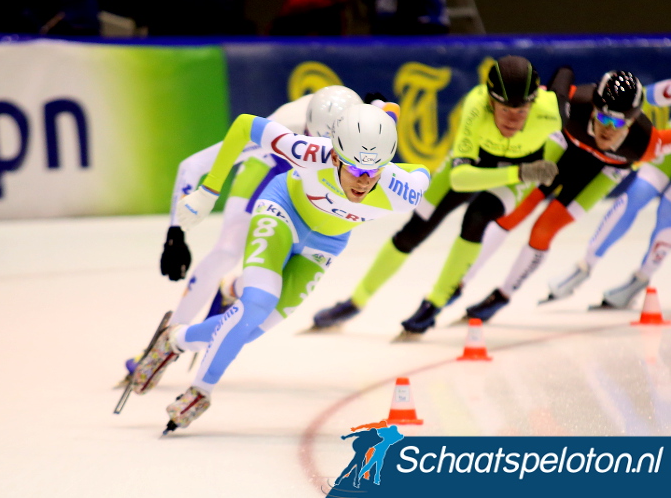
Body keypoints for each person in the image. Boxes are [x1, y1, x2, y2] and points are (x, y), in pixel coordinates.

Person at [128, 103, 431, 430]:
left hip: (326, 243)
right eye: (355, 171)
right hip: (283, 208)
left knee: (250, 330)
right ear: (335, 157)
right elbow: (245, 125)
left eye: (373, 173)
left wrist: (385, 120)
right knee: (257, 301)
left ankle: (174, 340)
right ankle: (201, 391)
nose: (363, 182)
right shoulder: (312, 152)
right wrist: (209, 190)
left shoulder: (402, 191)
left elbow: (422, 173)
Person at [121, 86, 388, 378]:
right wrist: (176, 232)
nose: (321, 156)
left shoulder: (363, 130)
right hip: (270, 165)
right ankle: (164, 342)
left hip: (314, 184)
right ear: (308, 131)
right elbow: (193, 165)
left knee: (283, 264)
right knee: (227, 251)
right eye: (316, 145)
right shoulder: (287, 126)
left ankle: (232, 290)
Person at [311, 55, 568, 335]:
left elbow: (567, 78)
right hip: (492, 167)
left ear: (533, 104)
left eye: (521, 112)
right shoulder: (475, 105)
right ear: (490, 102)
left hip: (519, 171)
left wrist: (547, 162)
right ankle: (356, 300)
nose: (512, 120)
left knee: (477, 219)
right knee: (414, 230)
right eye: (505, 110)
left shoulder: (552, 111)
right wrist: (521, 173)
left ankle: (435, 303)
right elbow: (459, 179)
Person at [463, 71, 671, 322]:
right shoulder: (575, 102)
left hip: (603, 171)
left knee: (544, 228)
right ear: (593, 108)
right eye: (603, 117)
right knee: (515, 209)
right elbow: (548, 83)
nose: (606, 129)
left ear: (631, 123)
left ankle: (503, 294)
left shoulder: (648, 143)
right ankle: (461, 280)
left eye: (617, 124)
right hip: (565, 147)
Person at [543, 78, 671, 309]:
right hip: (667, 155)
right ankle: (583, 267)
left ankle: (640, 278)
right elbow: (640, 97)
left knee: (667, 214)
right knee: (632, 199)